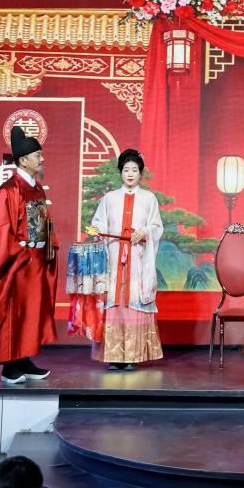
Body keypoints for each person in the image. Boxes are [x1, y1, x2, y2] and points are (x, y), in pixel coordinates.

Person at [0, 126, 58, 385]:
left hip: (36, 260)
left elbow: (45, 222)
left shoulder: (36, 188)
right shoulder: (9, 190)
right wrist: (19, 252)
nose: (42, 159)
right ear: (23, 160)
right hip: (17, 261)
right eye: (37, 155)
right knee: (13, 311)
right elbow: (0, 231)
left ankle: (25, 358)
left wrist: (50, 246)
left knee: (30, 312)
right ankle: (9, 365)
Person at [88, 148, 164, 369]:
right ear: (120, 172)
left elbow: (156, 226)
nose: (130, 174)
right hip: (114, 258)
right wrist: (98, 231)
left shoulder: (149, 198)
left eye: (134, 170)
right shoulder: (109, 198)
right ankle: (113, 357)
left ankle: (131, 356)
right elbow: (99, 223)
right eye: (126, 170)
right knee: (114, 300)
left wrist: (145, 232)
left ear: (140, 173)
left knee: (134, 300)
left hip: (138, 258)